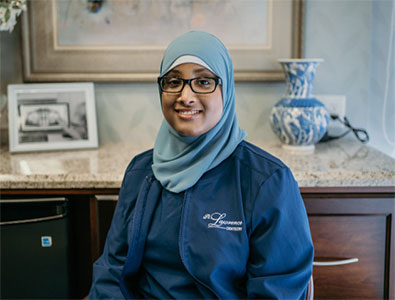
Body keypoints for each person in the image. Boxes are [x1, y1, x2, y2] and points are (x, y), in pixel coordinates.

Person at [88, 31, 314, 299]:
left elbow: (278, 288)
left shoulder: (267, 180)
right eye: (173, 81)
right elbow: (112, 272)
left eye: (204, 81)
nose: (186, 96)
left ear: (226, 89)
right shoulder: (141, 173)